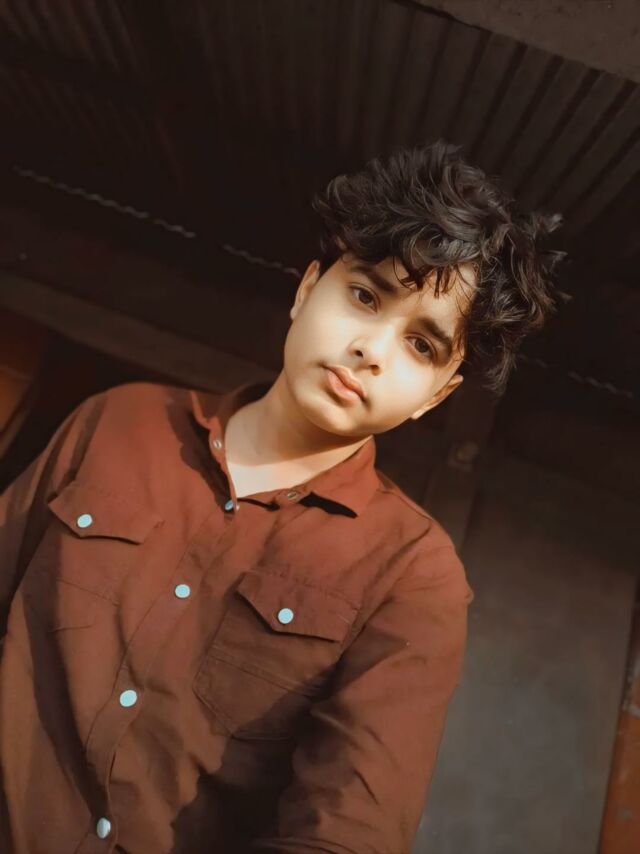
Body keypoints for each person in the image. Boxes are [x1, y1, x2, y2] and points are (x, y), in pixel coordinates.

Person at [0, 140, 565, 853]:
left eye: (421, 345)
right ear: (307, 290)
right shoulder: (120, 421)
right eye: (365, 296)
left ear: (436, 397)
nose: (372, 350)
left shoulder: (413, 578)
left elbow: (343, 832)